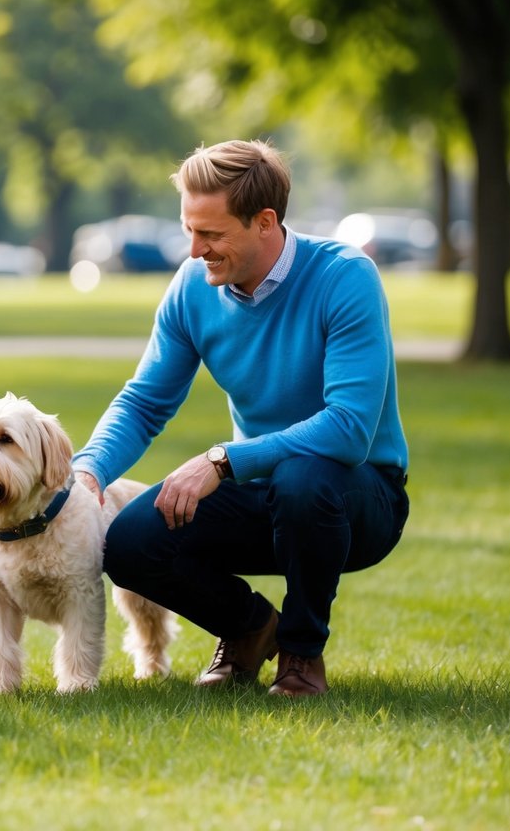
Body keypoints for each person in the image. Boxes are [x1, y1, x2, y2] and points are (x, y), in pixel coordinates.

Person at [72, 139, 410, 697]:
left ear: (265, 221)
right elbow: (143, 402)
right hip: (261, 490)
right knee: (127, 542)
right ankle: (250, 628)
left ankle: (301, 657)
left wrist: (224, 460)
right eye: (189, 230)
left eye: (211, 234)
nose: (193, 250)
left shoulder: (346, 277)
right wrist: (88, 472)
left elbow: (349, 428)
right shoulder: (192, 287)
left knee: (305, 477)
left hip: (358, 501)